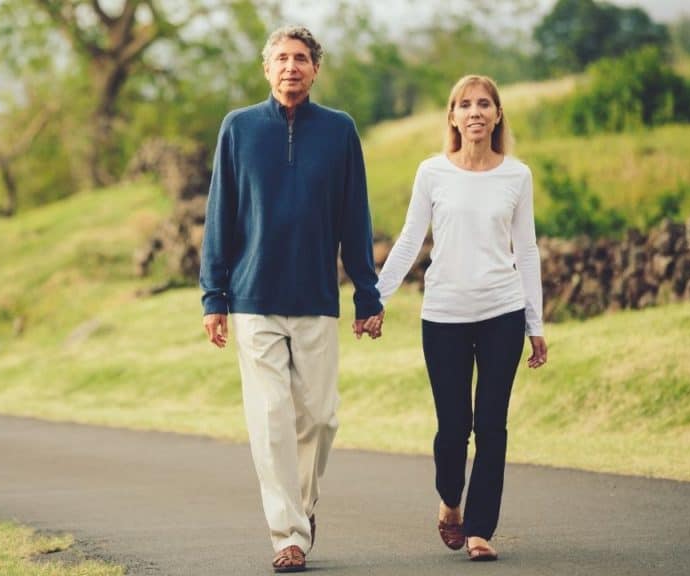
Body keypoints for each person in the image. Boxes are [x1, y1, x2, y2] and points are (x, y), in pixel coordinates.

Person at [199, 25, 384, 573]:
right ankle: (287, 535)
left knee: (321, 419)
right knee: (272, 416)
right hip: (253, 298)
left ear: (315, 69)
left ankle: (300, 512)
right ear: (266, 68)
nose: (291, 67)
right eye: (281, 58)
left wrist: (367, 294)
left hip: (316, 298)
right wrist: (215, 298)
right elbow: (219, 217)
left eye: (301, 58)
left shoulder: (339, 131)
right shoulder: (238, 129)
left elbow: (356, 216)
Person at [370, 74, 548, 562]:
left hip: (502, 313)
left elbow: (526, 250)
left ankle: (479, 529)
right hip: (444, 314)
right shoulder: (432, 172)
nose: (474, 112)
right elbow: (410, 239)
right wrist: (376, 298)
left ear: (496, 115)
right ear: (452, 116)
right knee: (454, 427)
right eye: (464, 104)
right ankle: (450, 500)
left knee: (492, 425)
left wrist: (535, 324)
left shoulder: (517, 175)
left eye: (484, 104)